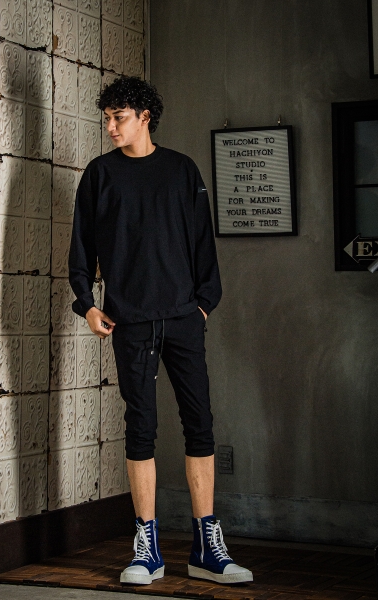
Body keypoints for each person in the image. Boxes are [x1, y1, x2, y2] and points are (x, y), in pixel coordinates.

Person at [68, 76, 252, 586]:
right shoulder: (100, 174)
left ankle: (207, 548)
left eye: (119, 117)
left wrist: (203, 306)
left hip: (184, 318)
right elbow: (81, 247)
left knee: (200, 425)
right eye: (106, 118)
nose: (110, 127)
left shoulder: (181, 170)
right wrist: (87, 305)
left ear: (145, 117)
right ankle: (146, 549)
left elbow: (202, 244)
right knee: (140, 428)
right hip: (129, 321)